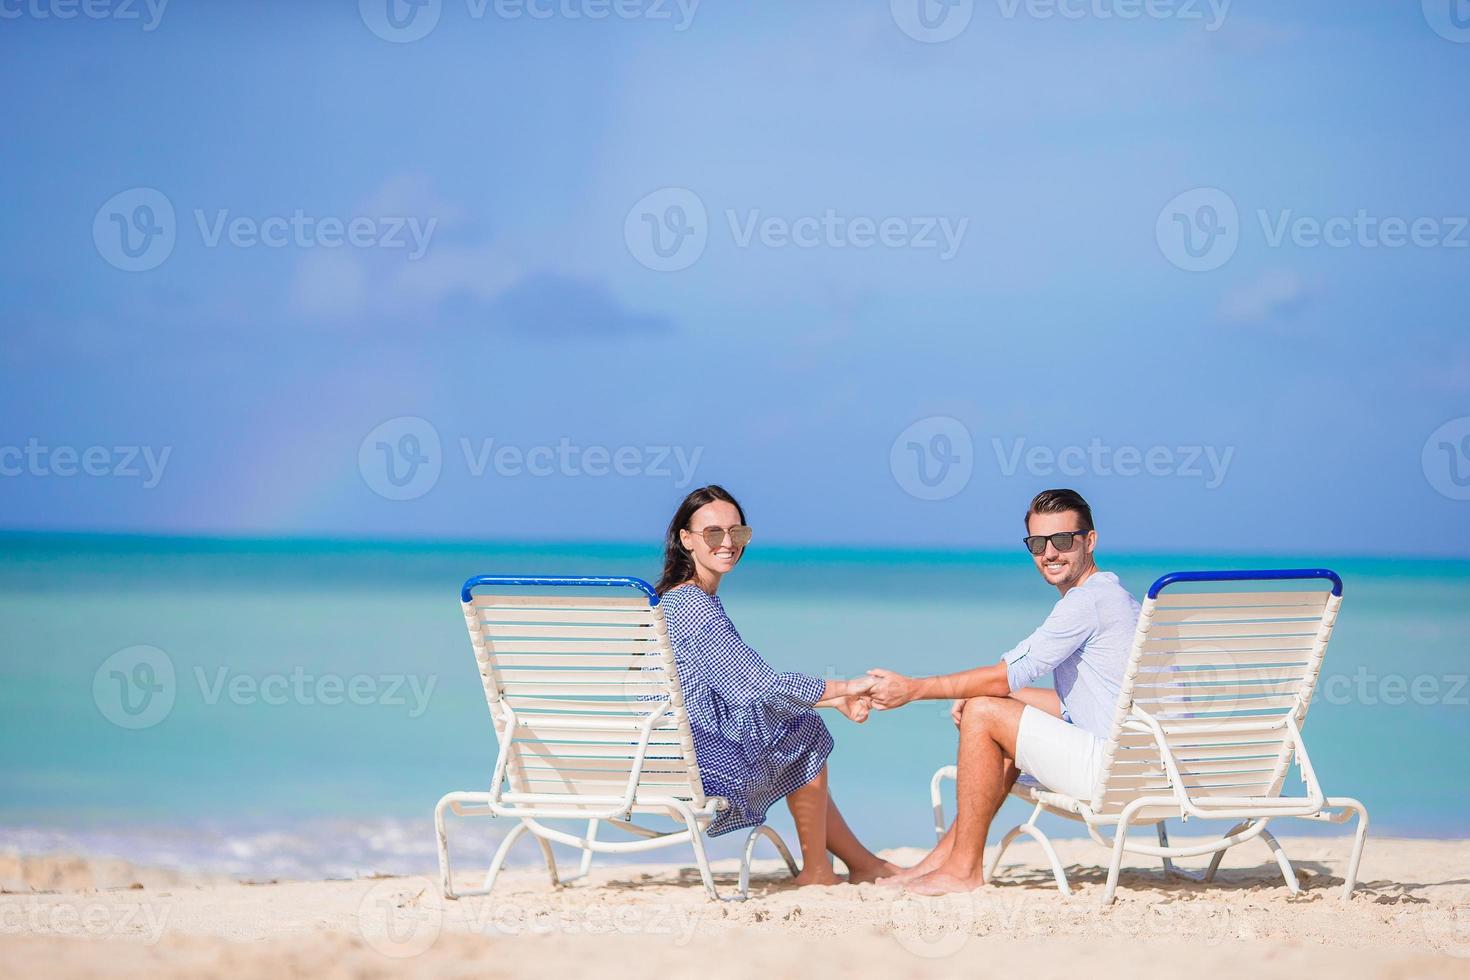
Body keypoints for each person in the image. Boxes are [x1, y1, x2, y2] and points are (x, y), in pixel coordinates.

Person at [866, 488, 1140, 895]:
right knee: (993, 708)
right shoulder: (1119, 598)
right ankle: (943, 859)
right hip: (1148, 770)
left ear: (1090, 540)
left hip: (1115, 777)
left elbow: (1006, 675)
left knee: (983, 712)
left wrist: (912, 688)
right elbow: (1080, 706)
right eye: (1037, 543)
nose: (1049, 553)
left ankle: (962, 869)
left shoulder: (1086, 603)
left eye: (1062, 540)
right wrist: (1001, 702)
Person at [656, 484, 897, 886]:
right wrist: (847, 687)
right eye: (713, 533)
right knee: (802, 733)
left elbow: (735, 692)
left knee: (794, 728)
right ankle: (818, 871)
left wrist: (831, 700)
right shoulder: (693, 606)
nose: (728, 543)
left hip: (656, 761)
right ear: (686, 540)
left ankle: (862, 864)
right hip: (695, 768)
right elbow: (760, 686)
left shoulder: (673, 601)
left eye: (738, 532)